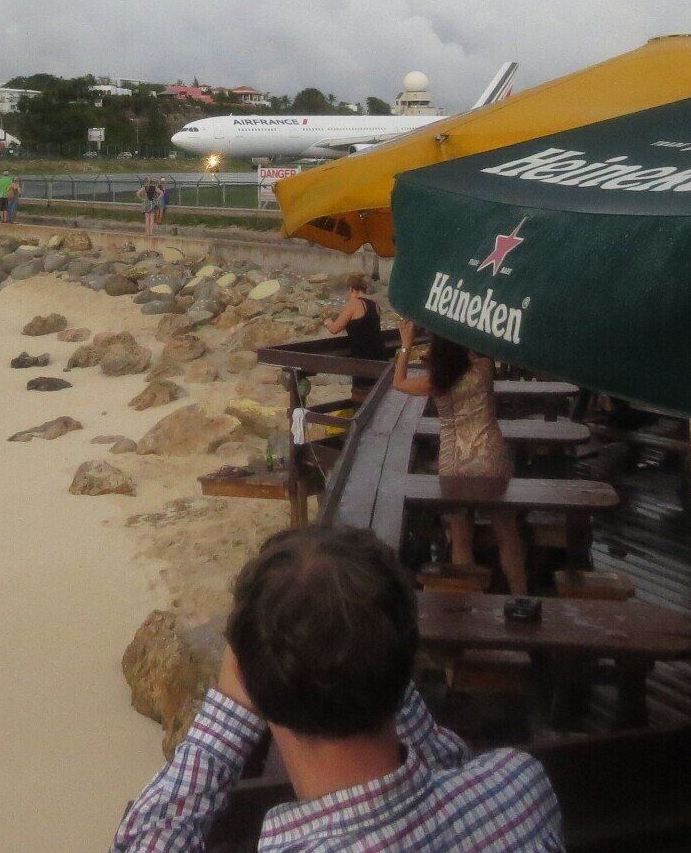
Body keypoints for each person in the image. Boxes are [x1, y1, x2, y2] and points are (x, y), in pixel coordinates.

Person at [111, 525, 560, 852]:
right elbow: (445, 764)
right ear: (408, 660)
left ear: (247, 678)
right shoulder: (518, 789)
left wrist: (227, 719)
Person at [393, 324, 526, 593]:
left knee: (461, 538)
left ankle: (468, 605)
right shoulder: (484, 368)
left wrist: (406, 344)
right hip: (491, 458)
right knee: (507, 534)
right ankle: (521, 596)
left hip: (455, 464)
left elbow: (399, 382)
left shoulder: (437, 381)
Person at [325, 273, 388, 360]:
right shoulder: (374, 304)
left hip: (363, 358)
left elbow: (334, 329)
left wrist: (328, 322)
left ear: (351, 289)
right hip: (380, 355)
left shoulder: (354, 303)